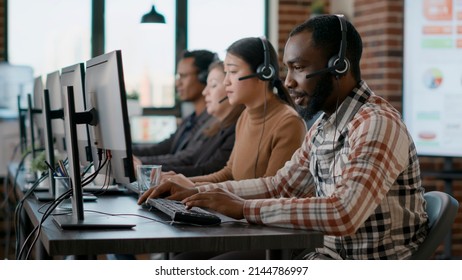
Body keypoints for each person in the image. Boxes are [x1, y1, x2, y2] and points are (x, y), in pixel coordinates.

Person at [139, 15, 428, 260]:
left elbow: (343, 213)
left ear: (339, 66)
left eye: (299, 68)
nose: (288, 82)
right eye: (287, 68)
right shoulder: (325, 124)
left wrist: (242, 208)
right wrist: (200, 194)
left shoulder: (376, 124)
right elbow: (281, 185)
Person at [159, 36, 306, 188]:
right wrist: (181, 182)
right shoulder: (245, 116)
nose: (226, 81)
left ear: (263, 73)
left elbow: (271, 190)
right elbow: (229, 173)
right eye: (226, 72)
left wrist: (195, 189)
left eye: (233, 71)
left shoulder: (289, 124)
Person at [159, 60, 245, 176]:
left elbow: (207, 170)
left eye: (213, 85)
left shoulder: (236, 129)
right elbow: (192, 161)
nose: (205, 92)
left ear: (230, 90)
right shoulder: (213, 127)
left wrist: (152, 171)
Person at [132, 50, 216, 166]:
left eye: (183, 76)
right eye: (178, 76)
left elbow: (186, 159)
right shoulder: (190, 120)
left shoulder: (215, 121)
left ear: (204, 77)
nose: (178, 83)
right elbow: (160, 148)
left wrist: (140, 163)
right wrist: (123, 152)